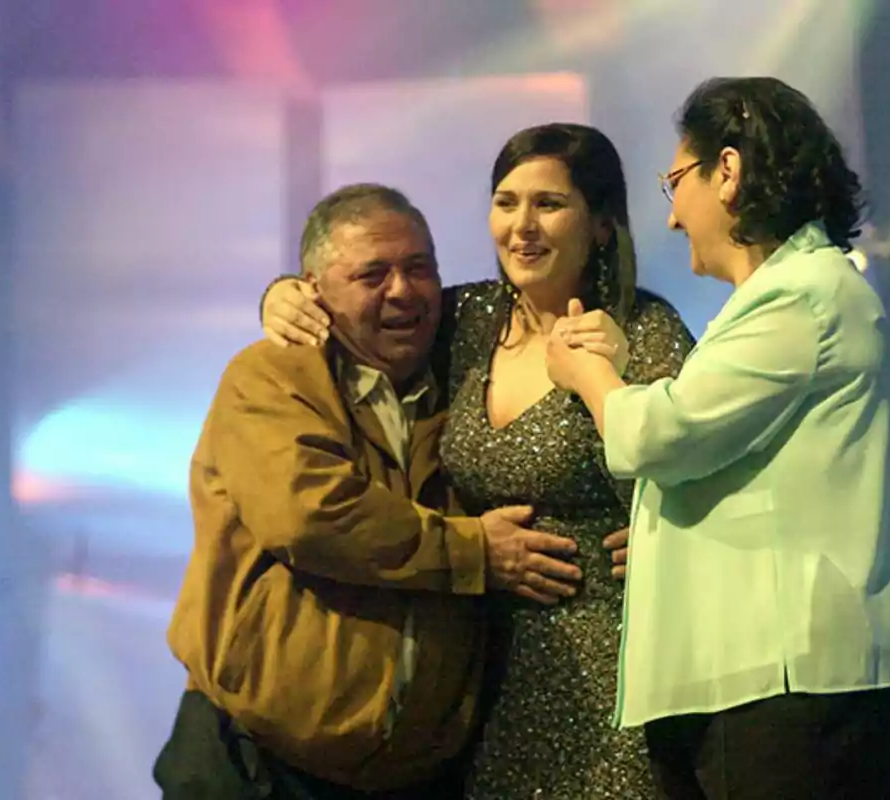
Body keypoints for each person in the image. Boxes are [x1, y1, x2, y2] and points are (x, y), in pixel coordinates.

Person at [260, 123, 695, 798]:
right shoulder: (465, 321)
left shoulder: (644, 331)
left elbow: (712, 467)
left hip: (615, 672)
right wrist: (284, 293)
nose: (522, 226)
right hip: (477, 677)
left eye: (549, 204)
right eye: (506, 202)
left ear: (603, 224)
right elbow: (363, 304)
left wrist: (679, 539)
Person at [546, 77, 890, 799]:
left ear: (726, 170)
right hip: (772, 678)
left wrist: (589, 372)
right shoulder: (791, 298)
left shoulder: (803, 295)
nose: (672, 219)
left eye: (675, 184)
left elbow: (662, 435)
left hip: (793, 682)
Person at [154, 183, 586, 800]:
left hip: (409, 777)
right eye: (372, 274)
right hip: (253, 762)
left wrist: (652, 529)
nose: (403, 290)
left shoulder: (465, 380)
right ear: (313, 291)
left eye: (419, 268)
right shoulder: (270, 376)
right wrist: (474, 553)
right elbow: (311, 516)